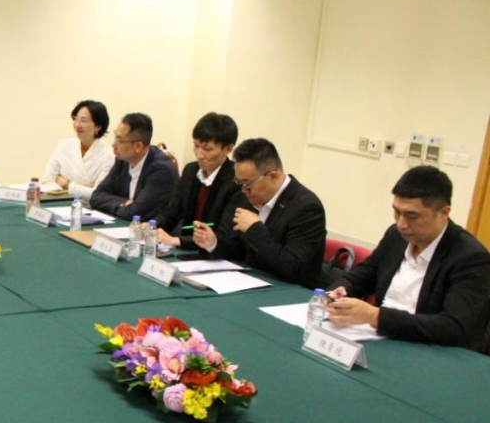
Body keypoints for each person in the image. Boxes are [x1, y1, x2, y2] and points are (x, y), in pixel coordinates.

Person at [327, 166, 490, 350]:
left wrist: (375, 316)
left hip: (428, 350)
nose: (401, 224)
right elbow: (363, 275)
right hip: (378, 339)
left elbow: (452, 327)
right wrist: (341, 290)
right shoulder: (396, 236)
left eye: (412, 215)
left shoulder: (471, 257)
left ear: (444, 213)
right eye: (397, 212)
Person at [192, 138, 326, 287]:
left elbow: (294, 267)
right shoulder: (249, 198)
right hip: (251, 281)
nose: (244, 190)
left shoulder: (306, 207)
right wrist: (213, 243)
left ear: (273, 176)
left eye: (247, 184)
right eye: (240, 183)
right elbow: (239, 249)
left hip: (292, 291)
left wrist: (255, 230)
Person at [155, 112, 243, 250]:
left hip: (215, 253)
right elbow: (172, 212)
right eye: (196, 146)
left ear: (228, 149)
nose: (199, 155)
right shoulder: (190, 170)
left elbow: (224, 235)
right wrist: (151, 226)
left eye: (207, 149)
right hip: (186, 250)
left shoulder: (237, 181)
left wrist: (178, 241)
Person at [90, 112, 177, 221]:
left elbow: (135, 213)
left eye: (120, 140)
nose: (113, 145)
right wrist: (123, 203)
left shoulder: (161, 170)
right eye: (115, 137)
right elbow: (96, 196)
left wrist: (125, 207)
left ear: (138, 146)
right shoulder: (122, 161)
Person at [40, 100, 116, 202]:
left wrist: (66, 185)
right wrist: (82, 189)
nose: (77, 125)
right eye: (75, 119)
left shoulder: (109, 155)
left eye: (83, 121)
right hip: (58, 204)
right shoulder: (64, 145)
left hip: (89, 209)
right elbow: (46, 181)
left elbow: (98, 195)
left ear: (98, 126)